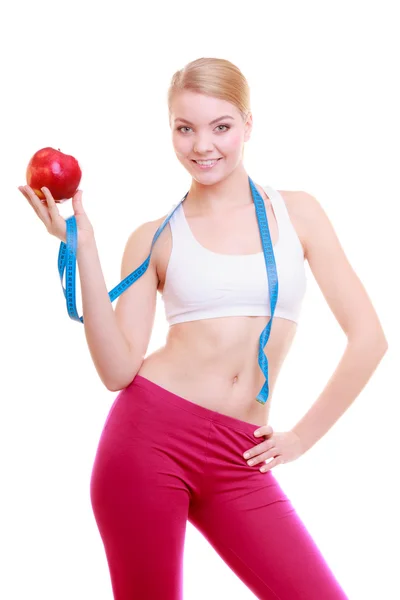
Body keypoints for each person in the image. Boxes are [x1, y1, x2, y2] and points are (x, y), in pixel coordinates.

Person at [19, 57, 388, 599]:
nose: (202, 145)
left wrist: (302, 438)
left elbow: (369, 337)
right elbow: (118, 369)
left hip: (240, 455)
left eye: (221, 127)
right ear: (170, 130)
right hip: (149, 442)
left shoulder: (297, 215)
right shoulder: (155, 238)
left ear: (247, 125)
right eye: (184, 128)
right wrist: (82, 246)